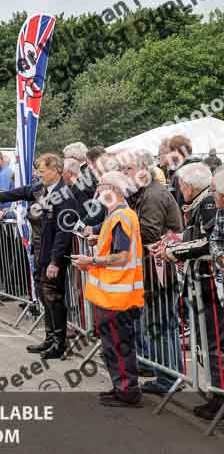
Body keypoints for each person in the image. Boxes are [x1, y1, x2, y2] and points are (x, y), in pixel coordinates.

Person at [0, 154, 79, 359]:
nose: (39, 174)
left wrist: (56, 261)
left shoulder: (65, 195)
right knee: (42, 294)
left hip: (52, 254)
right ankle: (50, 338)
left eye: (43, 170)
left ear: (56, 170)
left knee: (53, 297)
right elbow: (22, 191)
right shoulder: (41, 189)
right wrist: (1, 197)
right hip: (38, 250)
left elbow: (64, 231)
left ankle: (60, 342)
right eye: (38, 170)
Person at [72, 171, 144, 407]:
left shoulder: (121, 216)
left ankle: (127, 391)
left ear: (112, 189)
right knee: (114, 344)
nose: (97, 192)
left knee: (118, 345)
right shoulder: (117, 215)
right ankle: (121, 388)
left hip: (117, 294)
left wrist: (90, 261)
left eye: (101, 187)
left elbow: (121, 256)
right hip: (113, 292)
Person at [158, 162, 222, 420]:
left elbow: (210, 242)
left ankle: (218, 398)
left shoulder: (207, 202)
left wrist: (174, 251)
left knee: (213, 342)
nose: (179, 189)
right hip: (201, 283)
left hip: (209, 284)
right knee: (206, 342)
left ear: (189, 184)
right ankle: (214, 394)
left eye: (181, 184)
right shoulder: (202, 202)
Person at [123, 150, 183, 395]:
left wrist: (120, 235)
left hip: (160, 269)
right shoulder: (144, 194)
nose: (124, 174)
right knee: (158, 322)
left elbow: (148, 232)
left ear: (143, 171)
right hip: (154, 267)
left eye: (128, 170)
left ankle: (167, 378)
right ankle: (166, 374)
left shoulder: (153, 195)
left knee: (159, 323)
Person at [205, 167, 224, 420]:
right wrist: (220, 257)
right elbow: (215, 240)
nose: (213, 198)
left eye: (216, 193)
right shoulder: (220, 212)